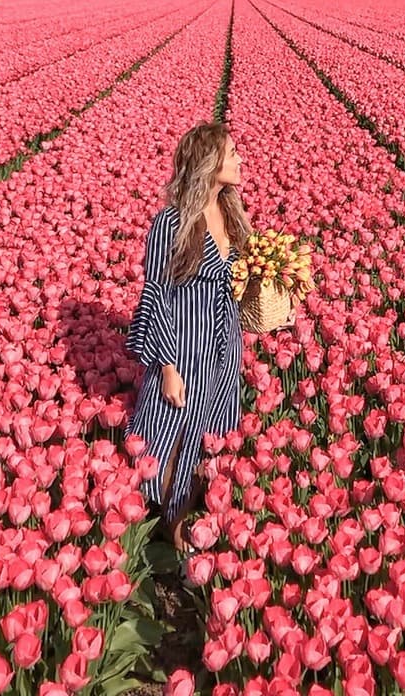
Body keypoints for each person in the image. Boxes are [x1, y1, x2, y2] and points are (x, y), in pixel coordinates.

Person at [124, 121, 294, 555]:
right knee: (167, 434)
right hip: (183, 347)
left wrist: (277, 281)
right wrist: (165, 366)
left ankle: (184, 526)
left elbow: (240, 282)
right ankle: (154, 526)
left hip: (224, 348)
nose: (239, 159)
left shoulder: (235, 218)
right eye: (231, 152)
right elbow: (156, 293)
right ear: (208, 162)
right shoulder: (172, 223)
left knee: (210, 436)